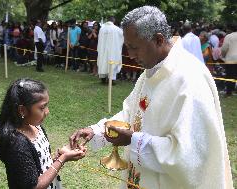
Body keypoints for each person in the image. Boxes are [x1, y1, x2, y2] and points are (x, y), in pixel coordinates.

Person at [70, 6, 233, 189]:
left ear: (158, 39)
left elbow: (191, 155)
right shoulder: (153, 70)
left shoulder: (189, 78)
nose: (130, 55)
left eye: (134, 48)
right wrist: (98, 130)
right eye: (127, 47)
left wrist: (133, 140)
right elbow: (132, 113)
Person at [0, 78, 87, 189]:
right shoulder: (17, 144)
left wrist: (61, 154)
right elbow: (33, 186)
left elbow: (42, 164)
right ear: (22, 110)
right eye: (42, 107)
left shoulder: (35, 126)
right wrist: (63, 158)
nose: (47, 111)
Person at [97, 16, 124, 84]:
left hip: (102, 50)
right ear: (113, 20)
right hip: (113, 50)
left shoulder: (102, 28)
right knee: (112, 62)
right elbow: (122, 37)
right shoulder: (117, 29)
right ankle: (111, 80)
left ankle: (103, 78)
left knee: (103, 62)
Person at [221, 23, 237, 96]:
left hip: (230, 58)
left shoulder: (228, 36)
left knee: (230, 76)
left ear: (230, 29)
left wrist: (223, 56)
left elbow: (224, 49)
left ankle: (229, 92)